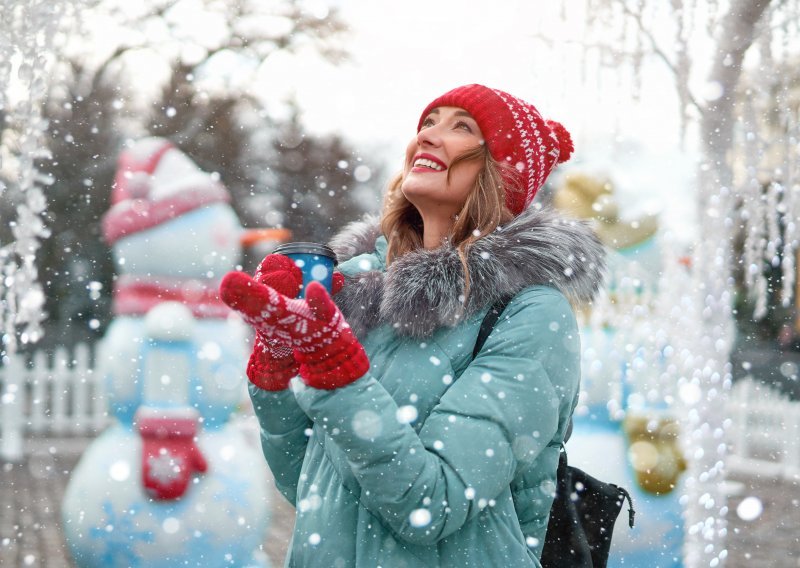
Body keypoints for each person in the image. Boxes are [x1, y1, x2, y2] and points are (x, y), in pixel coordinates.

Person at [220, 84, 606, 567]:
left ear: (499, 172)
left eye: (461, 127)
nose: (428, 136)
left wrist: (336, 371)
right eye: (428, 122)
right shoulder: (358, 288)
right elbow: (306, 483)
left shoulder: (530, 313)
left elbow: (432, 505)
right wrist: (278, 366)